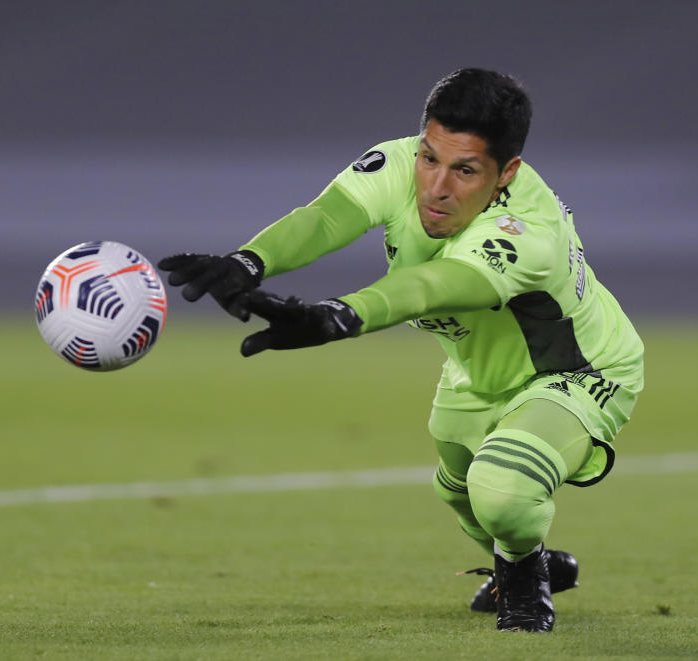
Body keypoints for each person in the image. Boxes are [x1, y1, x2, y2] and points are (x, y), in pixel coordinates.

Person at [158, 68, 644, 632]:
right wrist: (248, 261)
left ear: (506, 172)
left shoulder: (528, 229)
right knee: (462, 496)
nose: (437, 187)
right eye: (430, 157)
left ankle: (523, 583)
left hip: (578, 371)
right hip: (475, 371)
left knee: (502, 491)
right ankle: (526, 557)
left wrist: (335, 317)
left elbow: (431, 287)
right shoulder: (400, 162)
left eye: (465, 170)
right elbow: (325, 217)